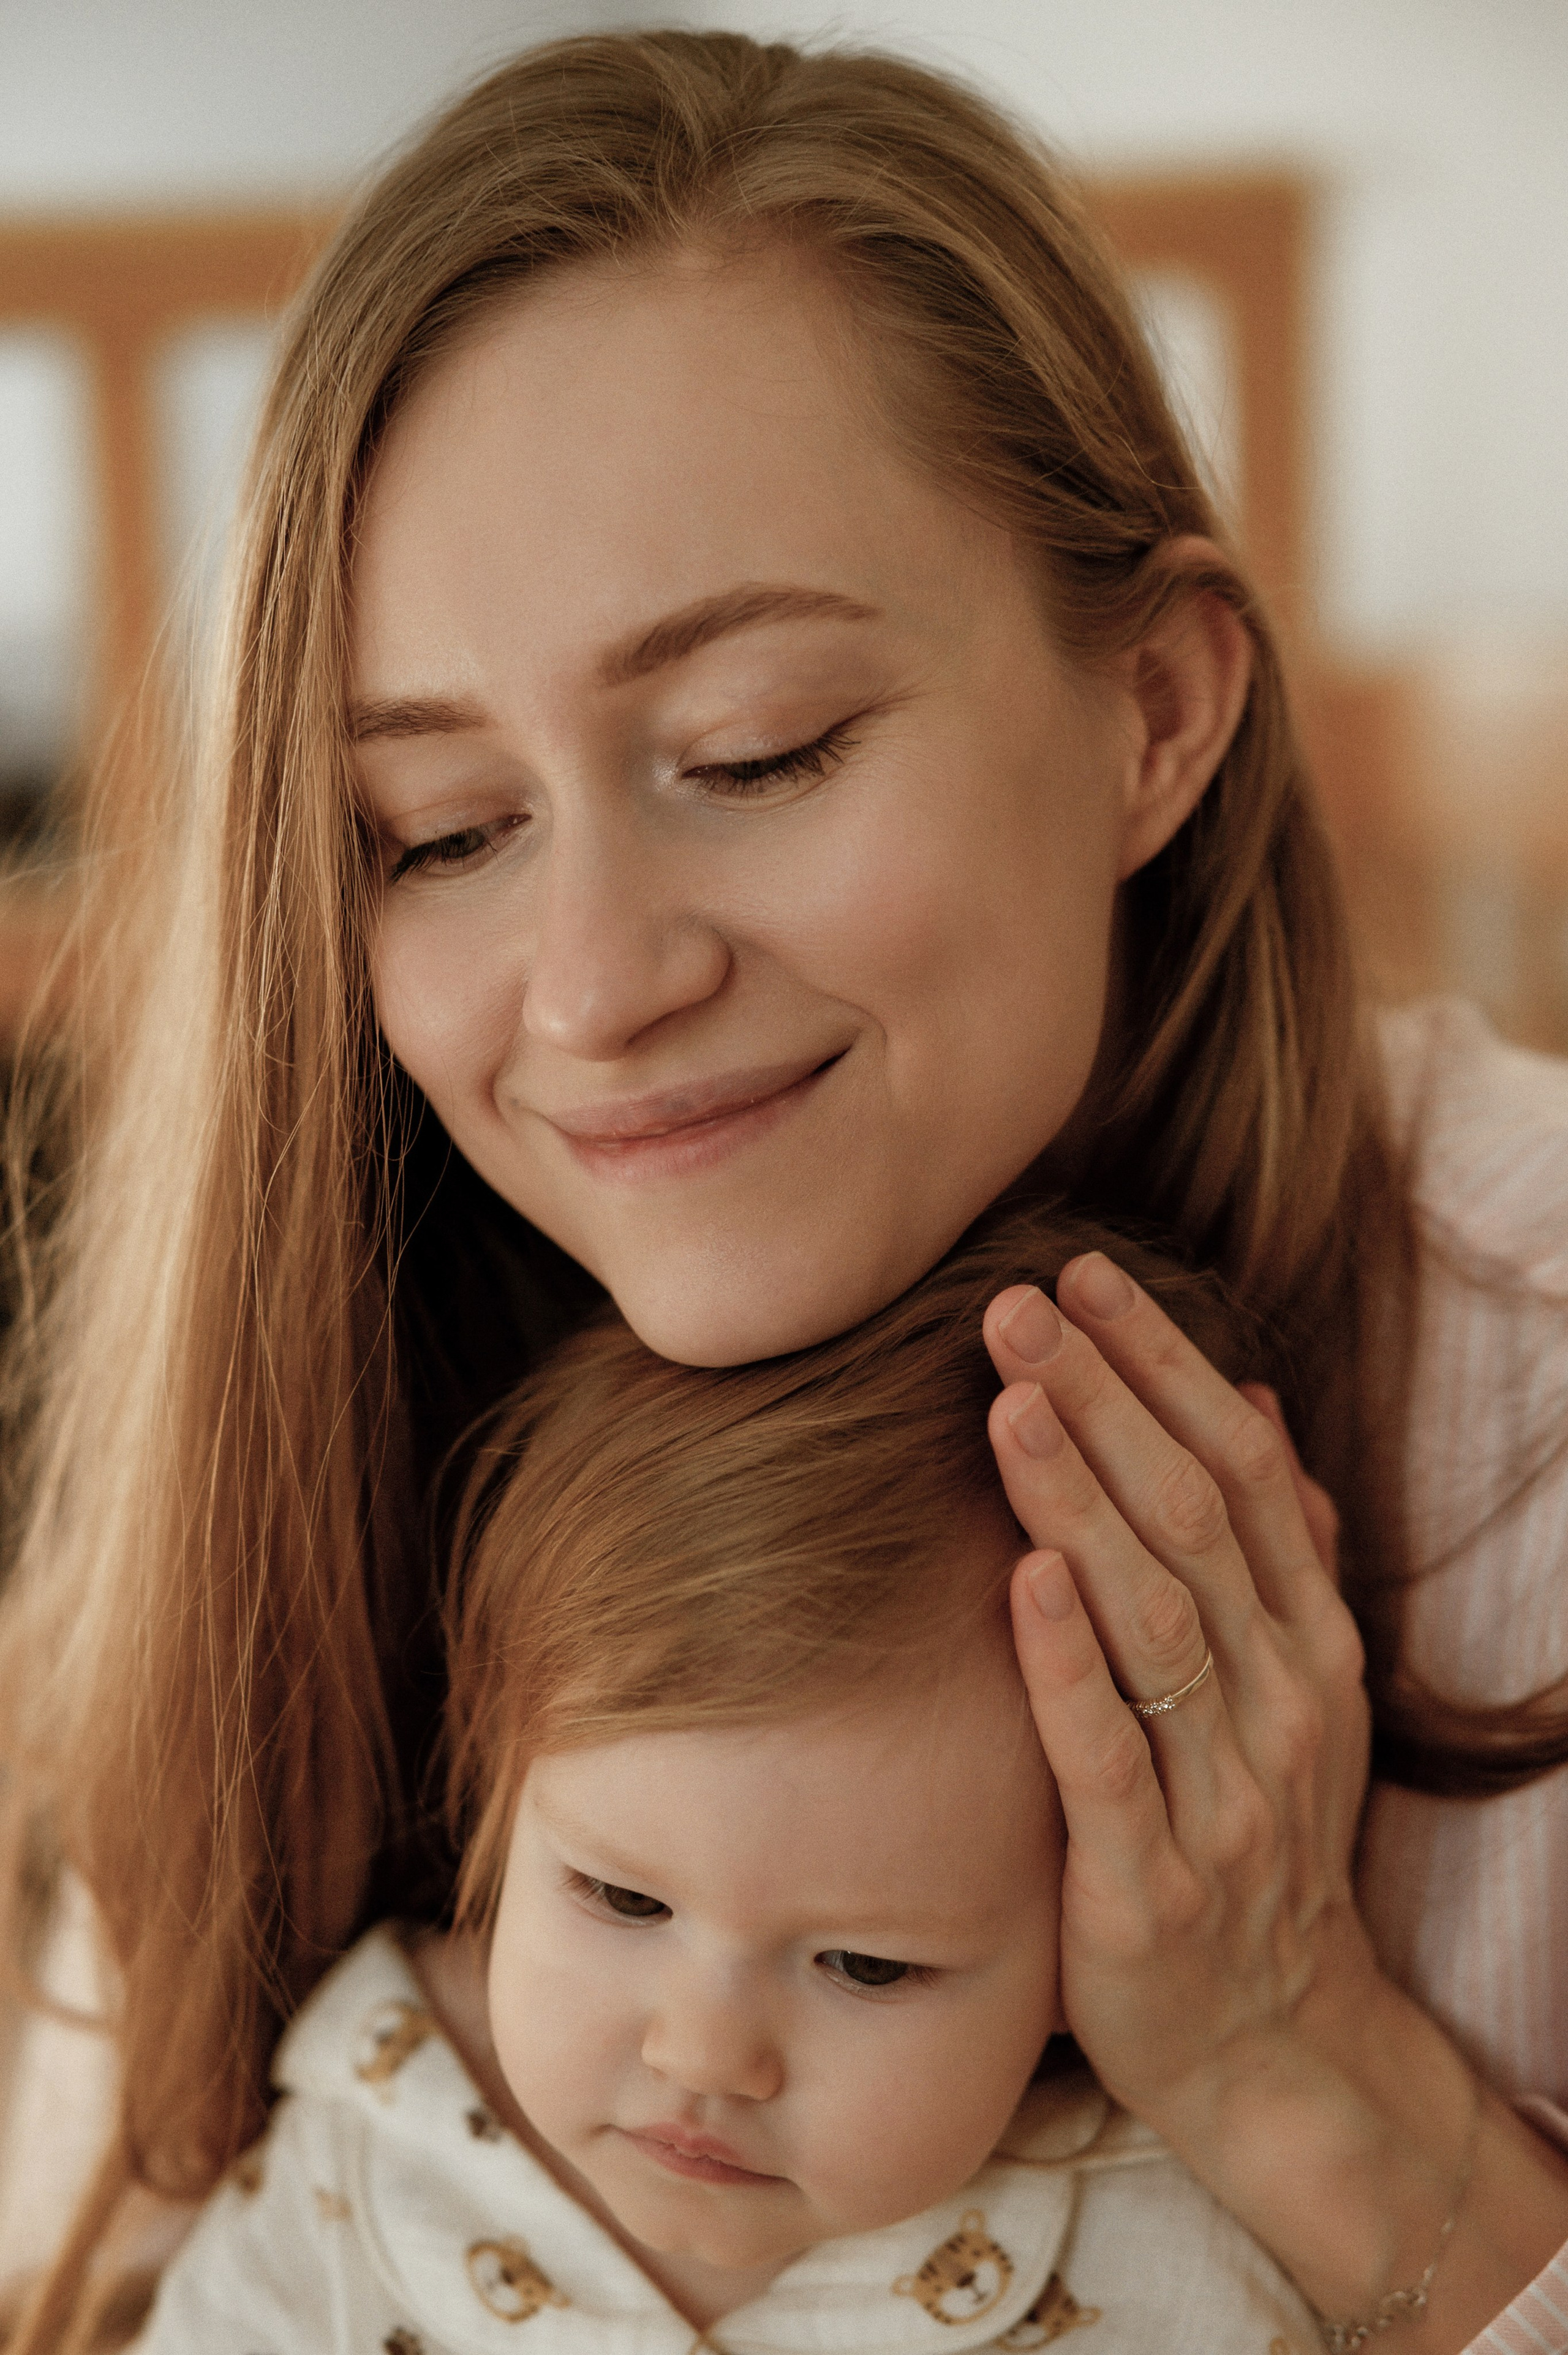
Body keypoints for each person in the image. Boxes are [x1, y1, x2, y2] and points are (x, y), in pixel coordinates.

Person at [1, 25, 1566, 2354]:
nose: (598, 985)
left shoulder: (1530, 1365)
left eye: (760, 751)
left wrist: (1295, 2062)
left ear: (1154, 710)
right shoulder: (288, 1413)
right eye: (440, 830)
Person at [131, 1208, 1327, 2353]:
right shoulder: (350, 2171)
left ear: (1091, 1929)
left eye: (865, 1963)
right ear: (498, 1794)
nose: (702, 2053)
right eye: (621, 1897)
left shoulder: (1160, 2254)